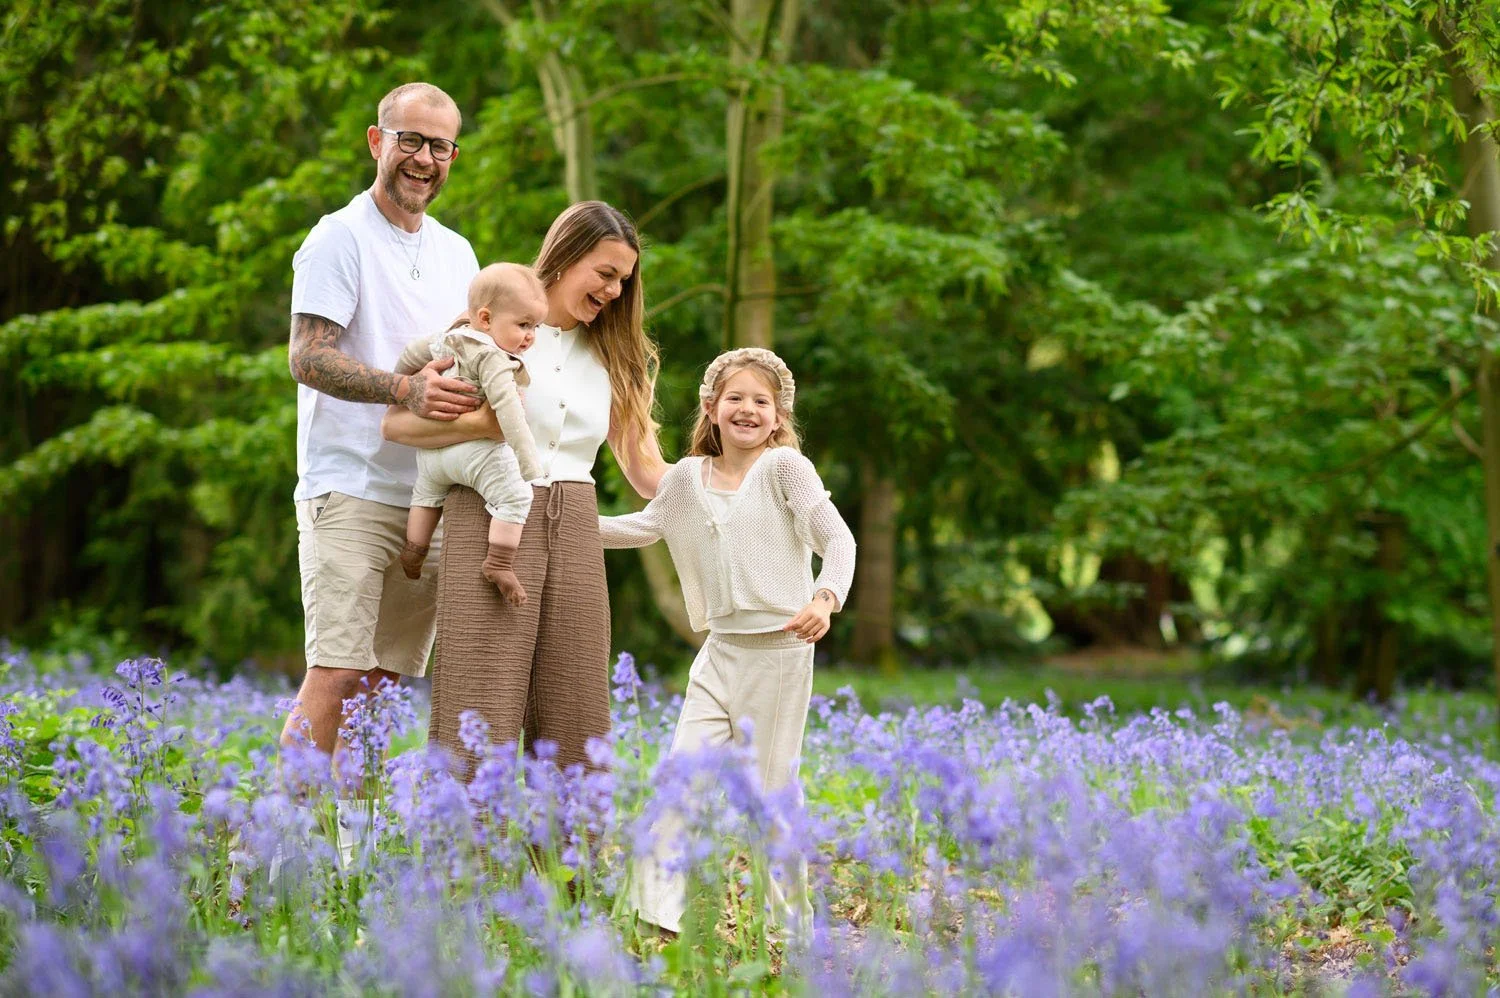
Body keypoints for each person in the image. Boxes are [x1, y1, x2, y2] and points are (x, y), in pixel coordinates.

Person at [381, 200, 666, 778]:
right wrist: (480, 425)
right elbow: (396, 424)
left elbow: (646, 470)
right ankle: (463, 862)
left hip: (576, 518)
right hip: (490, 515)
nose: (614, 291)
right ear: (563, 258)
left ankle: (570, 868)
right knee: (479, 697)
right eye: (605, 274)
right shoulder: (485, 332)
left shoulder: (613, 354)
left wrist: (733, 481)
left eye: (624, 281)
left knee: (578, 703)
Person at [595, 347, 856, 938]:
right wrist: (558, 519)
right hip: (719, 655)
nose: (748, 409)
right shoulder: (687, 478)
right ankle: (654, 915)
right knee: (679, 777)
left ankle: (788, 933)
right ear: (711, 409)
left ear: (779, 416)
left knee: (770, 794)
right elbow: (643, 528)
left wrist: (825, 598)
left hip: (781, 656)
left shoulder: (787, 469)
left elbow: (838, 541)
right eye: (735, 398)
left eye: (761, 401)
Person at [281, 81, 479, 831]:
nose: (423, 158)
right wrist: (406, 389)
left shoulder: (459, 252)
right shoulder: (339, 237)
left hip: (430, 496)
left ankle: (349, 852)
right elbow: (308, 357)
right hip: (349, 488)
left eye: (439, 146)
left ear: (452, 155)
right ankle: (277, 849)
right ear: (377, 141)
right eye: (410, 140)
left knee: (383, 683)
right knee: (335, 671)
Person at [396, 263, 547, 606]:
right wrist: (529, 466)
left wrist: (404, 384)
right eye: (523, 325)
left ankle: (413, 551)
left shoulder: (446, 339)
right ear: (485, 318)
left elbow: (409, 355)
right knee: (516, 497)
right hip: (473, 451)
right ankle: (499, 563)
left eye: (535, 327)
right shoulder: (492, 357)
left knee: (426, 495)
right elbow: (508, 410)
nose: (530, 336)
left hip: (432, 453)